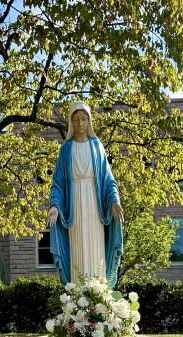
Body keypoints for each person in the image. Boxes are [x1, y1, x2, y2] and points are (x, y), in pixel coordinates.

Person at [47, 102, 123, 287]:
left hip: (95, 205)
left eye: (84, 119)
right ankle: (78, 298)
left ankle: (97, 292)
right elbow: (57, 183)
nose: (80, 123)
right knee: (78, 248)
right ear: (71, 122)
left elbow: (107, 178)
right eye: (76, 119)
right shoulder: (66, 149)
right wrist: (55, 207)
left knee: (95, 246)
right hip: (75, 207)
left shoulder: (97, 146)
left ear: (89, 121)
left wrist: (113, 201)